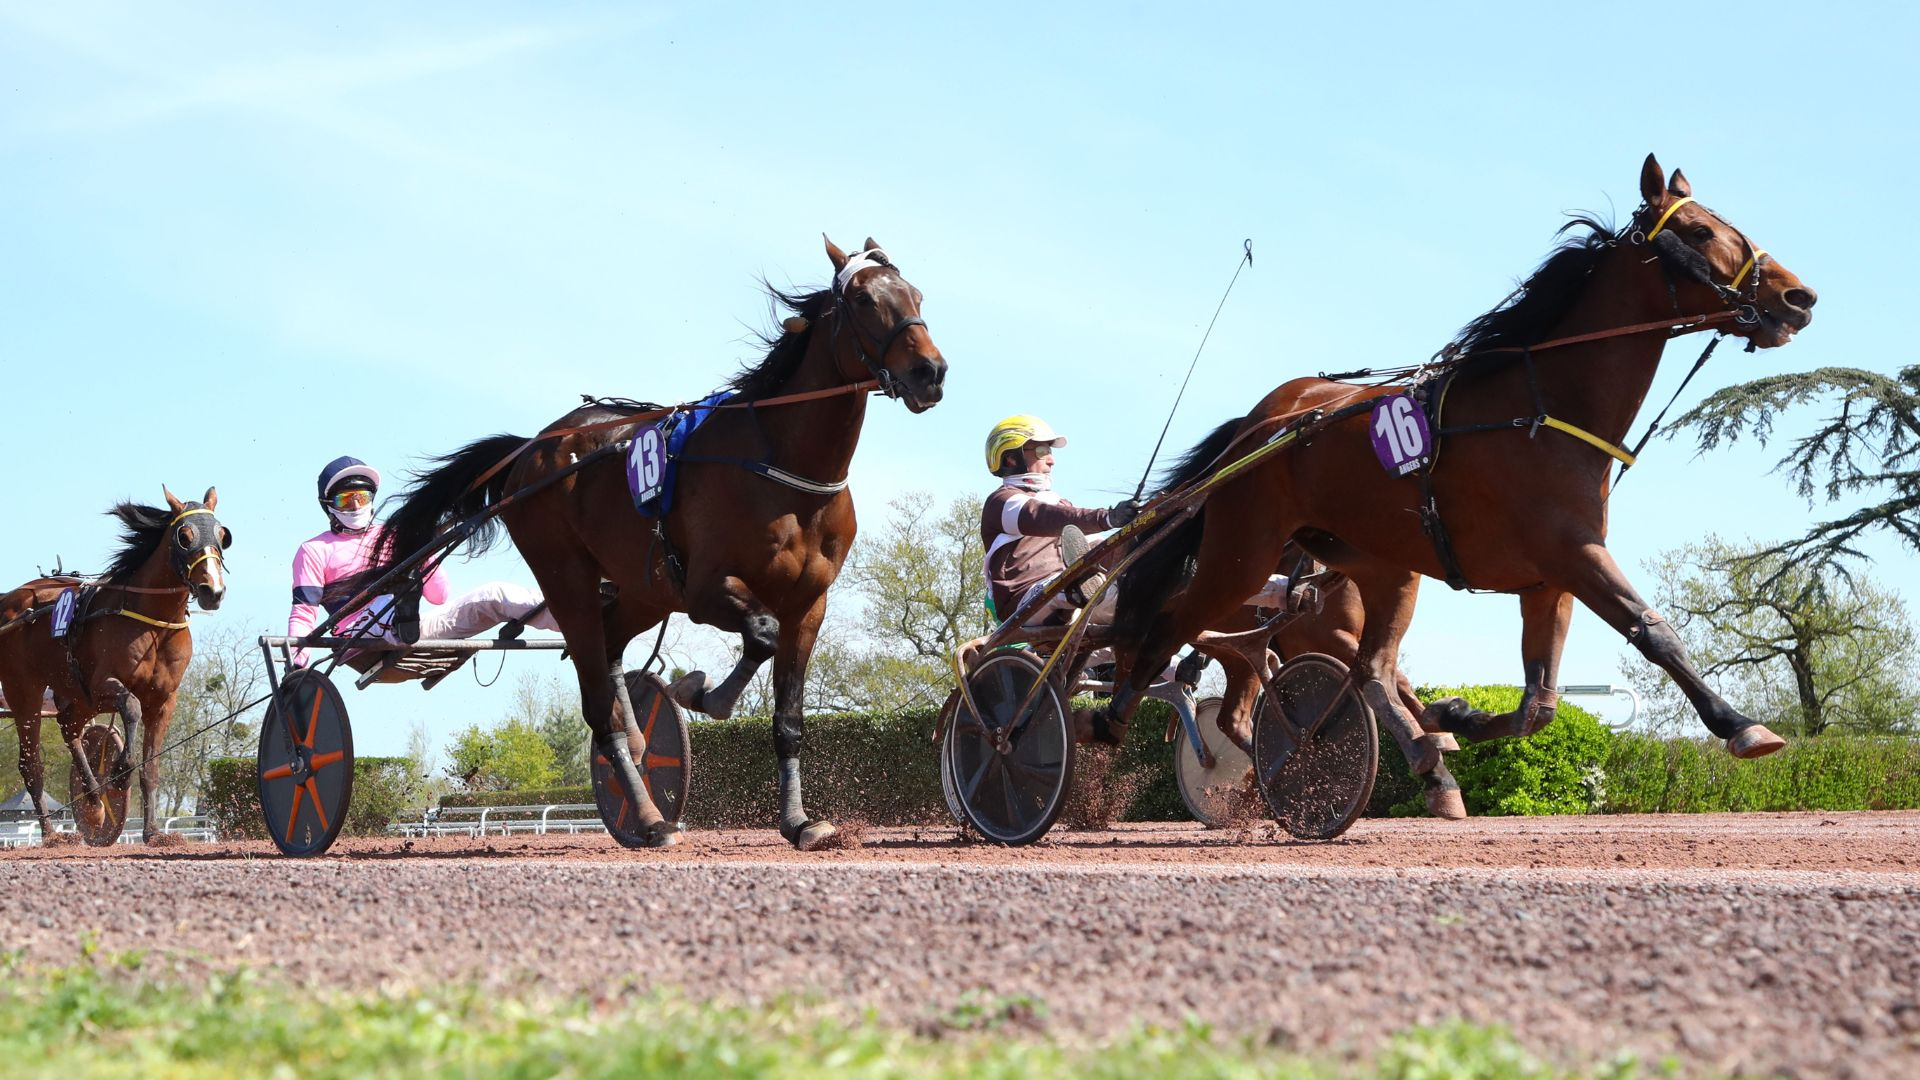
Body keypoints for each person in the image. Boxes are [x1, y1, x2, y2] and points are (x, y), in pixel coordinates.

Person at [979, 416, 1317, 627]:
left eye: (1050, 451)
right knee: (1074, 575)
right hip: (1025, 603)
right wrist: (1107, 517)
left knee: (1168, 562)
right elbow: (1044, 518)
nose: (1050, 460)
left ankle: (1282, 591)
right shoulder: (1002, 503)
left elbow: (1066, 519)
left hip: (1073, 595)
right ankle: (1080, 587)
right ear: (1010, 458)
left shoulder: (1056, 501)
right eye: (1040, 451)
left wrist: (1143, 530)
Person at [287, 456, 559, 666]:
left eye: (362, 497)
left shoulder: (394, 534)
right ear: (329, 505)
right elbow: (304, 613)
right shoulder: (314, 550)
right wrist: (297, 664)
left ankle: (582, 616)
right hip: (359, 638)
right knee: (388, 599)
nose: (356, 506)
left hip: (412, 624)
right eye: (346, 500)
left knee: (497, 594)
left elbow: (439, 596)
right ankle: (399, 610)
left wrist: (424, 549)